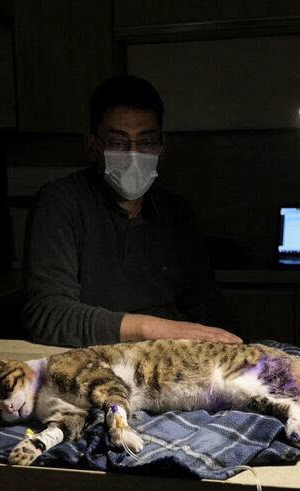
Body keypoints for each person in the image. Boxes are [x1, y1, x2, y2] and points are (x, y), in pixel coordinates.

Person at [22, 75, 241, 348]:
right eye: (118, 142)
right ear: (93, 146)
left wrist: (240, 352)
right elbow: (49, 315)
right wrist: (151, 328)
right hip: (91, 360)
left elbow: (207, 305)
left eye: (146, 142)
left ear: (161, 147)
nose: (134, 154)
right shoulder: (61, 202)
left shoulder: (177, 211)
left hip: (169, 359)